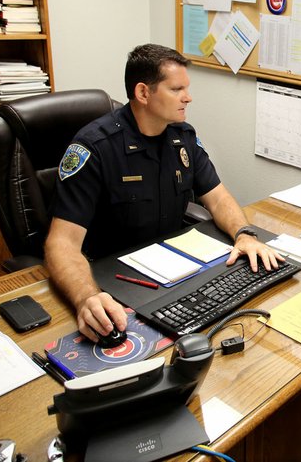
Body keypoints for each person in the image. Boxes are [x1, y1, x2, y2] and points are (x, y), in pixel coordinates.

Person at [44, 43, 284, 343]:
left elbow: (218, 197)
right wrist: (85, 298)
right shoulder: (95, 148)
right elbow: (61, 243)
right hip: (112, 282)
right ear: (144, 93)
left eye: (187, 88)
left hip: (171, 275)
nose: (188, 97)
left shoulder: (182, 138)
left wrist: (244, 234)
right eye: (177, 89)